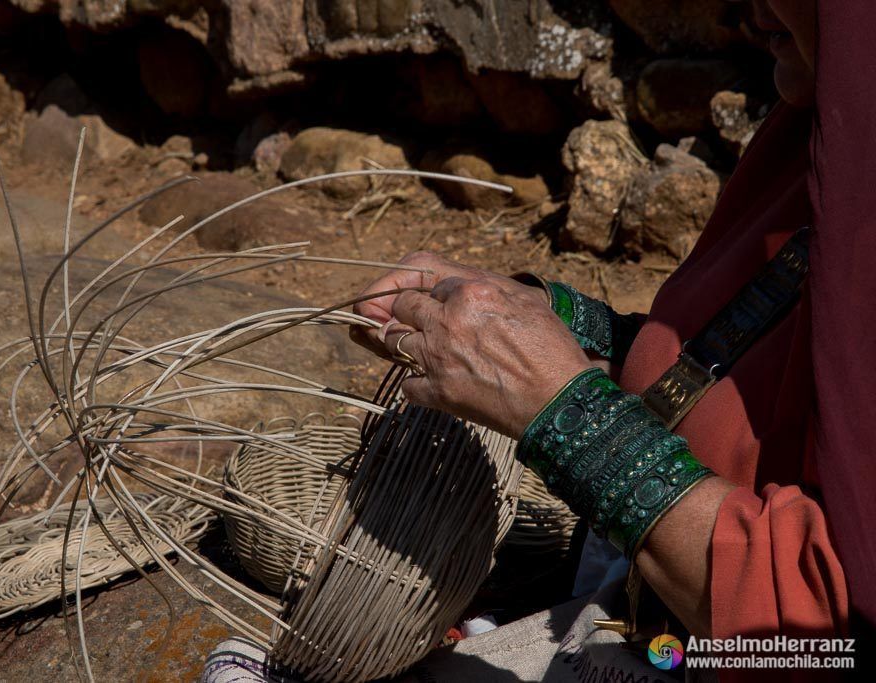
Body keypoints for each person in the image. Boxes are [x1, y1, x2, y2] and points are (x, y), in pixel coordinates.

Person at [204, 0, 876, 680]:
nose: (738, 12)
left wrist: (567, 415)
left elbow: (826, 633)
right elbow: (756, 381)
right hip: (651, 619)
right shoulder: (821, 141)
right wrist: (546, 324)